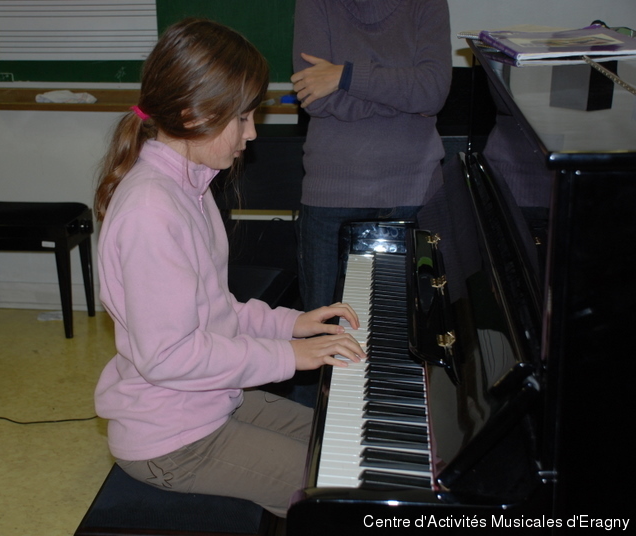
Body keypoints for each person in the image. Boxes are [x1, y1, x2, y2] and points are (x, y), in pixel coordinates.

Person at [92, 18, 366, 518]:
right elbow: (170, 355)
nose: (252, 132)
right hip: (174, 441)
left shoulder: (188, 187)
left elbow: (213, 309)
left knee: (349, 446)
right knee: (342, 498)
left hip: (209, 403)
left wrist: (293, 324)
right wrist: (290, 355)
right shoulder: (152, 210)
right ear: (192, 114)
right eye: (241, 117)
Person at [287, 0, 452, 407]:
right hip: (330, 196)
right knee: (324, 339)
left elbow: (432, 91)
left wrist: (346, 75)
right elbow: (315, 98)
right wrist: (402, 97)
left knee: (409, 339)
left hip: (414, 191)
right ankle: (317, 436)